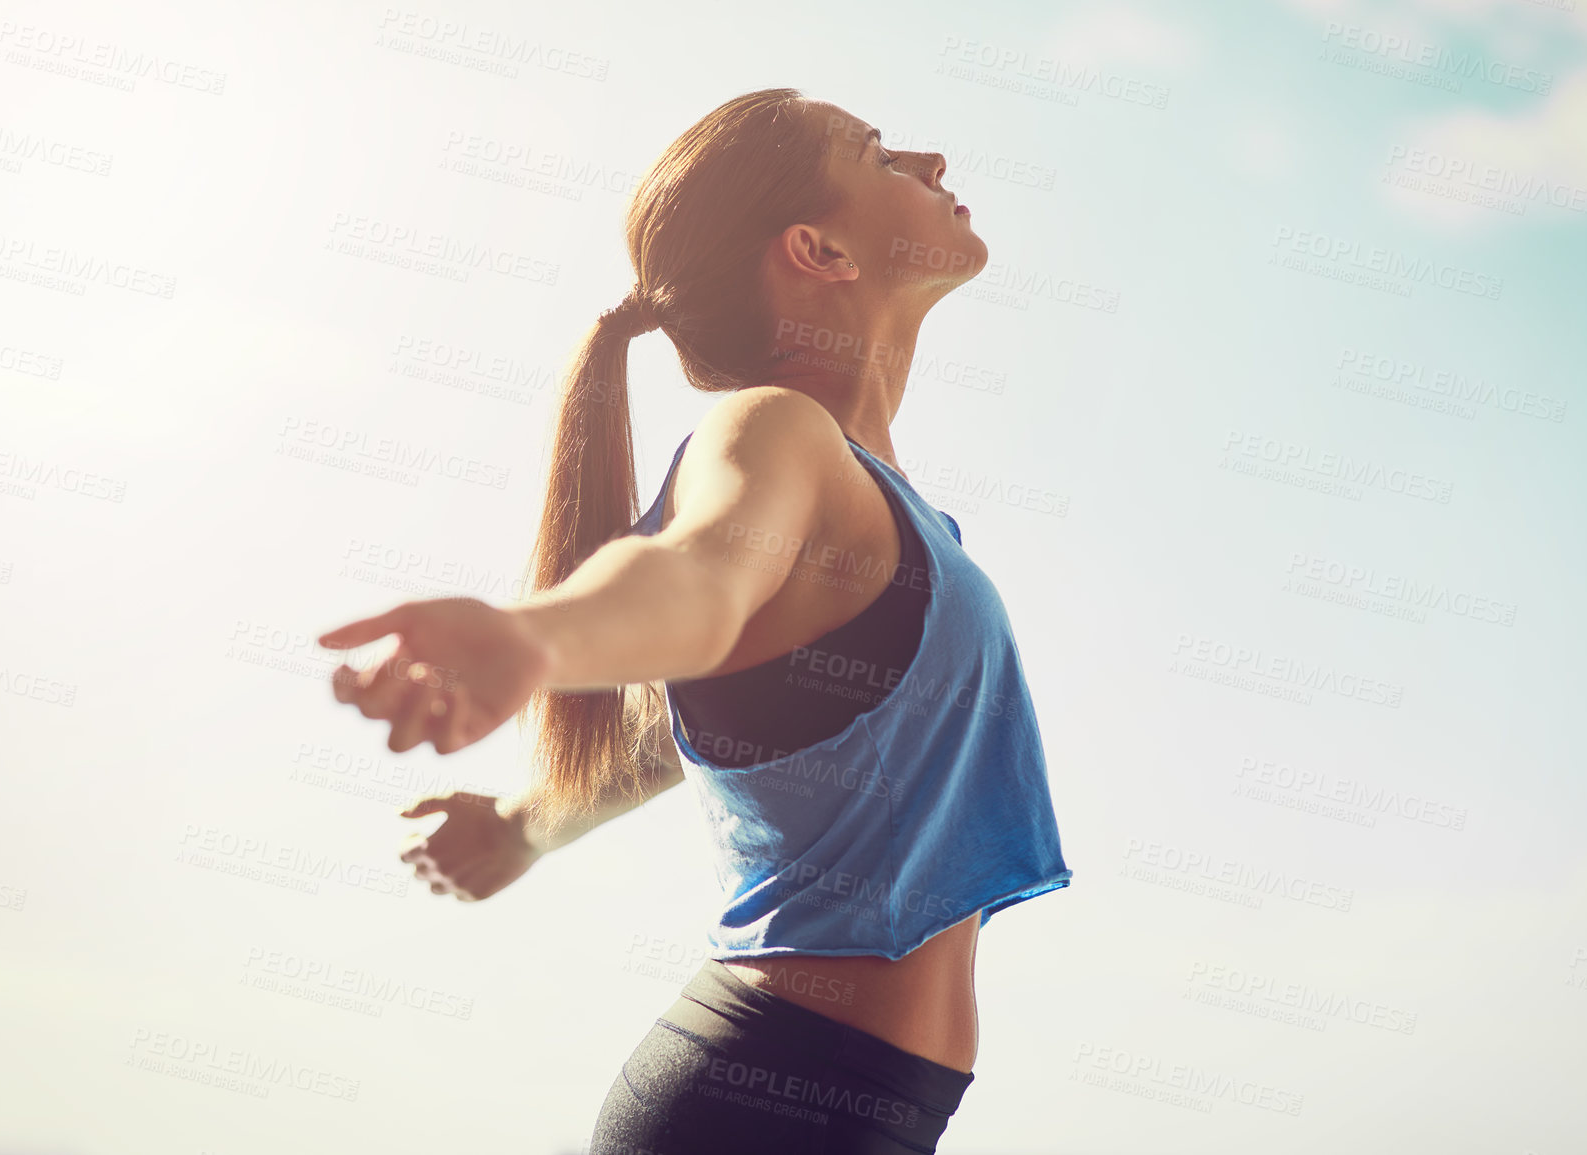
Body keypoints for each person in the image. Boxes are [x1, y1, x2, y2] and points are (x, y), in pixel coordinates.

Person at [318, 87, 1071, 1154]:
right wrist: (534, 639)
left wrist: (524, 826)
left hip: (867, 1112)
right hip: (763, 1103)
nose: (932, 157)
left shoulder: (900, 512)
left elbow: (680, 728)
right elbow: (694, 582)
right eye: (879, 153)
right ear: (818, 250)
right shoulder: (774, 430)